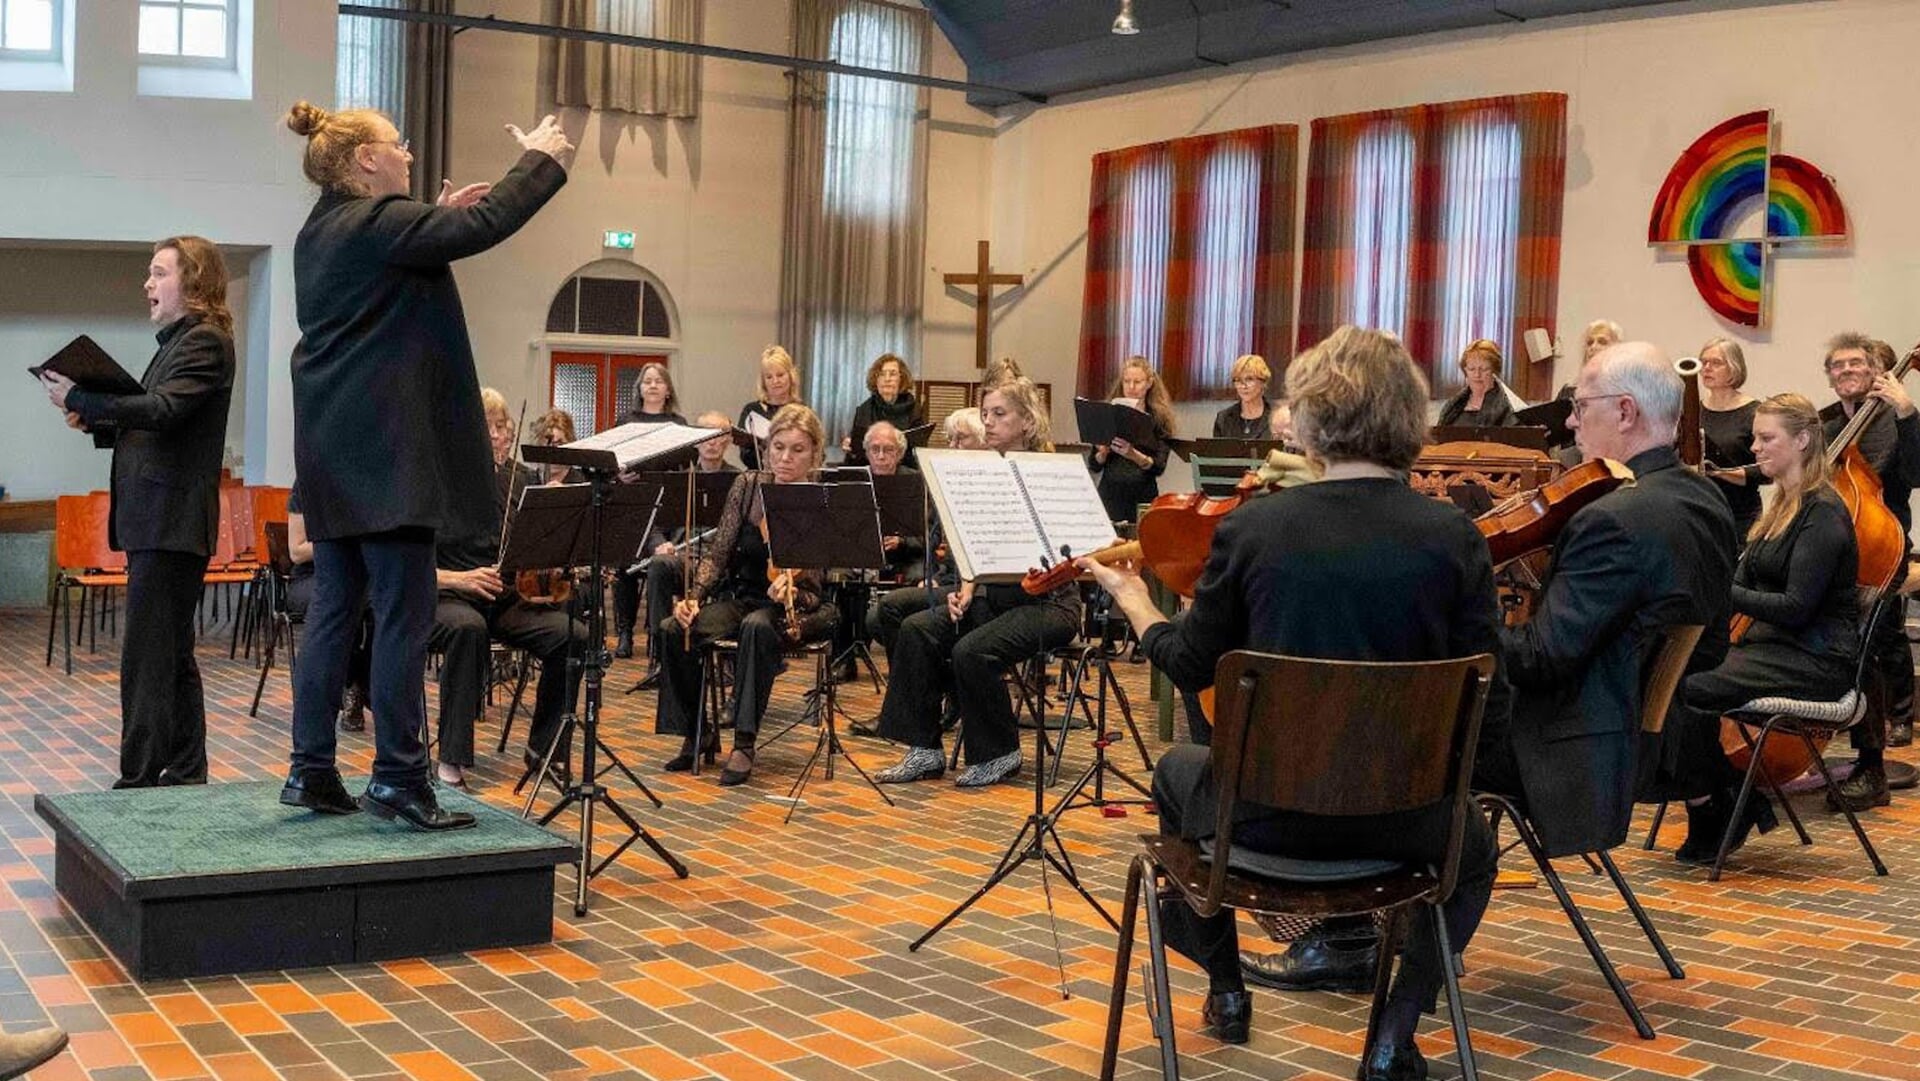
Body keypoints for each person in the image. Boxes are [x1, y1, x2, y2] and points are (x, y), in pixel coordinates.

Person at [1254, 343, 1739, 1009]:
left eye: (1581, 406)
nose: (1570, 421)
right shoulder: (1697, 497)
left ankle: (1342, 942)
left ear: (1625, 412)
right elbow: (1654, 641)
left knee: (1365, 731)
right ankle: (1354, 934)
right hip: (1626, 733)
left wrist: (1450, 626)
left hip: (1568, 752)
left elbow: (1541, 656)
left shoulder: (1614, 519)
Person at [1082, 326, 1503, 1077]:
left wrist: (1135, 602)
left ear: (1308, 420)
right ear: (1410, 419)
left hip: (1261, 819)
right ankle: (1392, 1036)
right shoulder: (1455, 538)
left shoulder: (1252, 529)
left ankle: (1227, 983)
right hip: (1407, 823)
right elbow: (1483, 687)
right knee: (1473, 847)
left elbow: (1186, 664)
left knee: (1179, 771)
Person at [279, 99, 573, 830]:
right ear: (366, 161)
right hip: (389, 456)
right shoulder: (377, 224)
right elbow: (484, 225)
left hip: (334, 452)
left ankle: (311, 768)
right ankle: (401, 778)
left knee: (336, 610)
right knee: (405, 616)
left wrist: (428, 218)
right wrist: (538, 158)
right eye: (398, 146)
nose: (408, 153)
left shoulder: (320, 232)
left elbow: (394, 278)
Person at [39, 236, 236, 788]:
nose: (147, 285)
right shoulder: (178, 342)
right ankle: (187, 767)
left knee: (148, 656)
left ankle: (140, 775)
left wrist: (83, 399)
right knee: (170, 654)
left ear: (193, 282)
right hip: (161, 520)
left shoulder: (206, 342)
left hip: (171, 521)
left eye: (158, 273)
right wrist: (99, 422)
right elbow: (153, 423)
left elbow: (166, 411)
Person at [1672, 394, 1858, 861]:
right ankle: (1726, 795)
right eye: (1755, 436)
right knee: (1666, 677)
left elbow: (1795, 608)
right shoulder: (1780, 508)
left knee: (1686, 689)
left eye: (1765, 438)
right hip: (1772, 651)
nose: (1753, 448)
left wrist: (1717, 588)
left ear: (1801, 441)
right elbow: (1739, 584)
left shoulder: (1823, 514)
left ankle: (1718, 800)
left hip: (1816, 662)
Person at [871, 378, 1082, 786]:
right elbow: (975, 545)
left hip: (1050, 603)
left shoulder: (1049, 472)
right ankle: (925, 749)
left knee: (972, 650)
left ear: (1027, 420)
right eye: (985, 414)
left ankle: (999, 752)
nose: (988, 422)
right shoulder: (984, 472)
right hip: (997, 597)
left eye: (999, 414)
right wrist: (964, 590)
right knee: (917, 630)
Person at [656, 405, 838, 785]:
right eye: (779, 447)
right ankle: (697, 732)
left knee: (758, 627)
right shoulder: (748, 486)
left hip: (797, 607)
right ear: (767, 448)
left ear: (815, 454)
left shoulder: (822, 495)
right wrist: (694, 597)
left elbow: (817, 586)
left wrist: (792, 592)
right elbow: (719, 552)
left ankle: (744, 742)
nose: (786, 458)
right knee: (675, 629)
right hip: (745, 596)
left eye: (798, 450)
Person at [428, 389, 590, 791]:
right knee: (468, 629)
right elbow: (410, 565)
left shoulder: (517, 478)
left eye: (503, 428)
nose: (500, 438)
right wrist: (459, 578)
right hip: (448, 594)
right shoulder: (439, 480)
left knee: (573, 636)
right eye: (491, 429)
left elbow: (523, 549)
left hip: (502, 598)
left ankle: (545, 749)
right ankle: (451, 759)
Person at [1816, 333, 1920, 802]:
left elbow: (1918, 475)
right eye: (1836, 366)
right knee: (1834, 650)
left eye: (1855, 363)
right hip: (1828, 551)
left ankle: (1871, 767)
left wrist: (1907, 412)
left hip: (1882, 547)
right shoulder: (1822, 423)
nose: (1846, 371)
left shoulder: (1896, 417)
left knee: (1870, 651)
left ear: (1876, 368)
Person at [619, 412, 738, 679]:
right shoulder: (678, 481)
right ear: (694, 440)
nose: (711, 442)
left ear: (728, 440)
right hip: (683, 558)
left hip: (722, 564)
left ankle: (727, 659)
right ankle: (662, 659)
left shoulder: (738, 481)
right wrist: (660, 545)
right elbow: (655, 526)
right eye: (705, 434)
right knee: (660, 564)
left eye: (719, 435)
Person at [286, 485, 371, 732]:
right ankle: (350, 687)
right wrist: (343, 542)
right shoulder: (306, 486)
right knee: (344, 599)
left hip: (354, 575)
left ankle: (366, 687)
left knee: (379, 604)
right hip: (310, 577)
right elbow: (297, 551)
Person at [1090, 356, 1175, 524]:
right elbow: (1094, 465)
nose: (1131, 387)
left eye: (1137, 382)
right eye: (1126, 381)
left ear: (1149, 383)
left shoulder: (1159, 418)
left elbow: (1159, 466)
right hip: (1110, 494)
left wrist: (1133, 454)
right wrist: (1102, 453)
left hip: (1142, 494)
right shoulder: (1109, 413)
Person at [1697, 337, 1765, 538]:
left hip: (1740, 516)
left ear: (1734, 369)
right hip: (1702, 511)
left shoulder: (1755, 412)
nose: (1706, 368)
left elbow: (1767, 470)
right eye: (1703, 362)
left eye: (1716, 363)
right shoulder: (1694, 410)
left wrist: (1720, 473)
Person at [843, 353, 924, 466]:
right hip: (872, 470)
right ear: (876, 380)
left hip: (904, 471)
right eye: (881, 374)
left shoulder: (914, 410)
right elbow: (856, 454)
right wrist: (850, 448)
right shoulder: (863, 410)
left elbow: (919, 453)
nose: (887, 379)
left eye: (893, 374)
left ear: (902, 379)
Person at [738, 346, 802, 470]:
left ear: (790, 376)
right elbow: (745, 455)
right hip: (759, 474)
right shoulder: (751, 411)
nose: (775, 381)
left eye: (780, 375)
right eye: (769, 377)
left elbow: (815, 451)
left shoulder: (802, 412)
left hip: (793, 475)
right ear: (763, 382)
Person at [1435, 339, 1519, 428]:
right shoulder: (1453, 406)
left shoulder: (1509, 407)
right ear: (1465, 371)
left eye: (1483, 369)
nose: (1477, 375)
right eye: (1471, 369)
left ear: (1495, 372)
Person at [1211, 354, 1276, 438]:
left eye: (1249, 379)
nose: (1243, 386)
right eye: (1238, 380)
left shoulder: (1276, 415)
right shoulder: (1224, 418)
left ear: (1263, 382)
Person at [627, 361, 684, 425]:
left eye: (659, 381)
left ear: (668, 390)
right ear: (639, 389)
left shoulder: (678, 423)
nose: (653, 386)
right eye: (647, 382)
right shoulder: (625, 421)